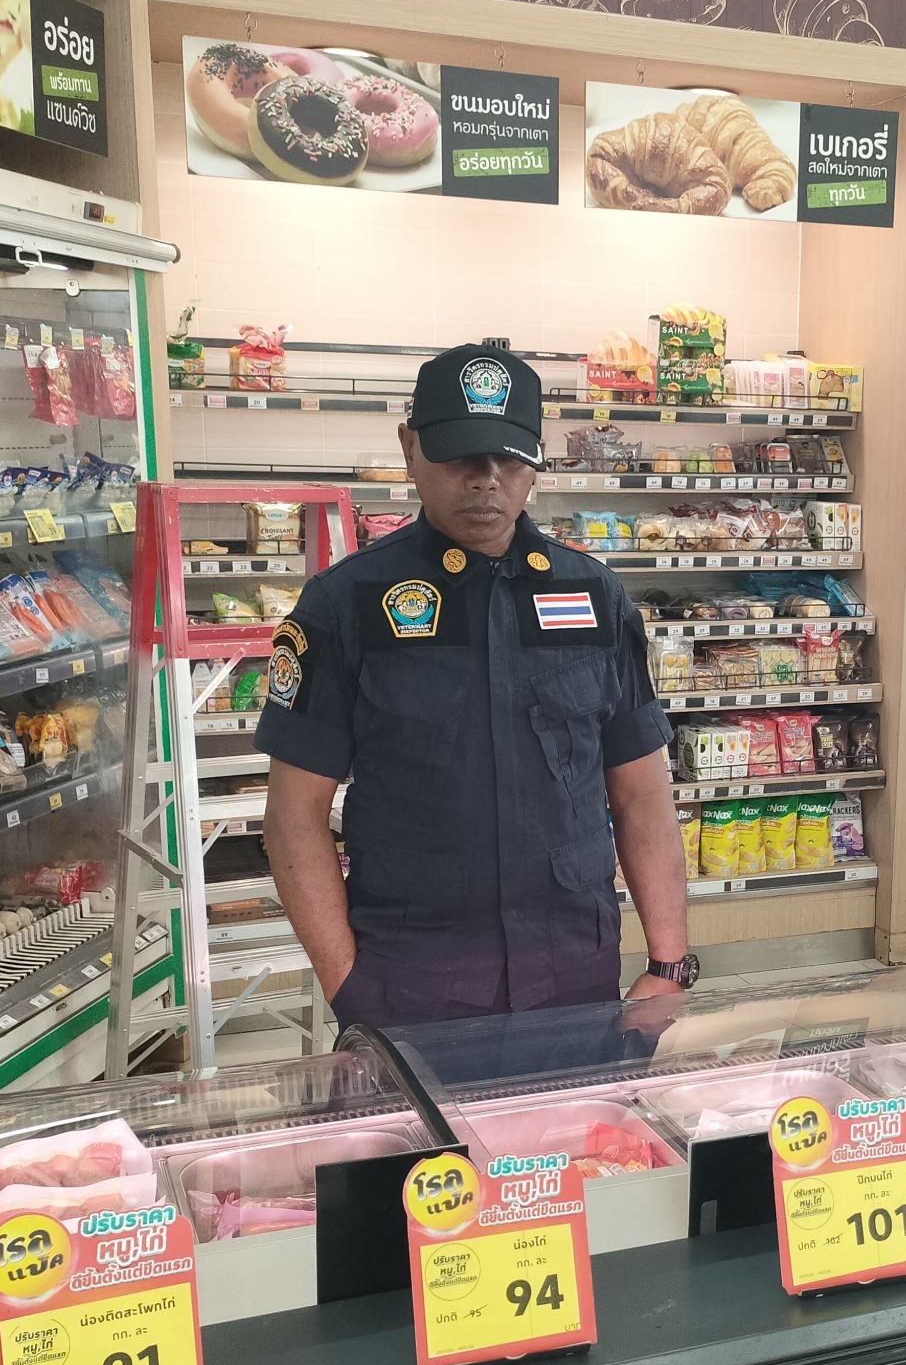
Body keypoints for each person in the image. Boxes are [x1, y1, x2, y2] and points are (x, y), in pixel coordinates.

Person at [258, 342, 695, 1029]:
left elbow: (641, 791)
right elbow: (293, 816)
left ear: (535, 459)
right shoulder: (345, 604)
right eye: (460, 456)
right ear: (409, 447)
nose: (486, 480)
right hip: (409, 984)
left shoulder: (595, 598)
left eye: (507, 459)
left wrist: (668, 964)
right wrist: (350, 989)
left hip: (574, 975)